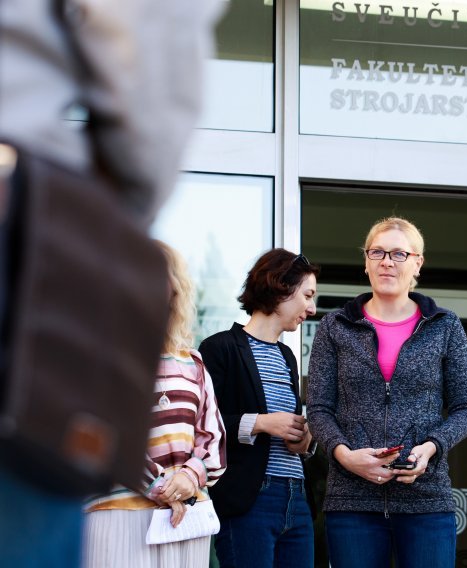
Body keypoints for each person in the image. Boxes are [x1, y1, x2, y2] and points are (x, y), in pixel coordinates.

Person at [0, 2, 223, 566]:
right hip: (24, 219)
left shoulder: (192, 365)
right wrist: (111, 213)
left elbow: (210, 441)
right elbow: (147, 39)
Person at [307, 216, 467, 568]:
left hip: (426, 499)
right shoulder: (335, 326)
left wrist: (430, 449)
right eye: (378, 252)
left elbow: (466, 408)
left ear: (417, 263)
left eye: (399, 254)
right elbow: (319, 408)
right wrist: (343, 455)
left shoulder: (445, 326)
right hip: (352, 500)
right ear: (366, 261)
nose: (387, 261)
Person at [82, 241, 227, 567]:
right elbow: (91, 433)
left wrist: (190, 477)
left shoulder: (194, 363)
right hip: (118, 512)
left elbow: (213, 439)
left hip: (186, 517)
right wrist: (158, 485)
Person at [199, 248, 320, 568]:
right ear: (281, 285)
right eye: (307, 295)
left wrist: (304, 441)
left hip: (297, 500)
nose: (312, 307)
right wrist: (262, 424)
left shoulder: (288, 357)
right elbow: (205, 427)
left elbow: (289, 427)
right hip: (250, 499)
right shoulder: (219, 347)